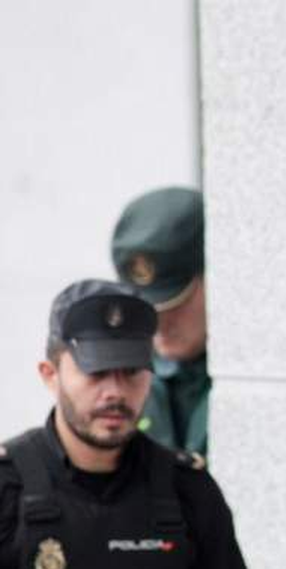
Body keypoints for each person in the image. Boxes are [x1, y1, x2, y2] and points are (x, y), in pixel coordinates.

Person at [0, 280, 261, 569]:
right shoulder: (7, 488)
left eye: (132, 372)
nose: (116, 392)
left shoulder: (187, 491)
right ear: (50, 374)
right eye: (96, 372)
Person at [112, 187, 210, 458]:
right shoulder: (121, 376)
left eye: (175, 304)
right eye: (146, 308)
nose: (159, 323)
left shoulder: (254, 375)